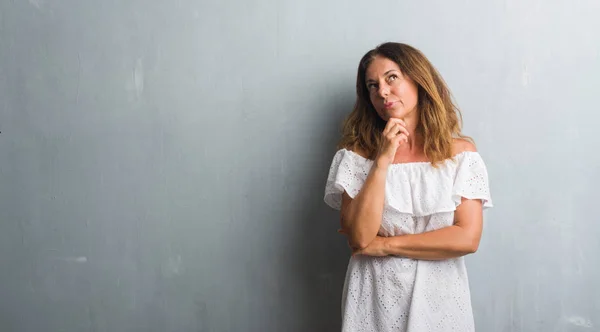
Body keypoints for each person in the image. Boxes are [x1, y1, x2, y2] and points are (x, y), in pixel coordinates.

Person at [324, 42, 493, 332]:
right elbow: (361, 239)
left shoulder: (461, 154)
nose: (382, 92)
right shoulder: (356, 157)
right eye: (372, 86)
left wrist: (386, 245)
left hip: (442, 298)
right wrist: (383, 159)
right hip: (373, 297)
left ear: (418, 80)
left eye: (392, 78)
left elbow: (467, 238)